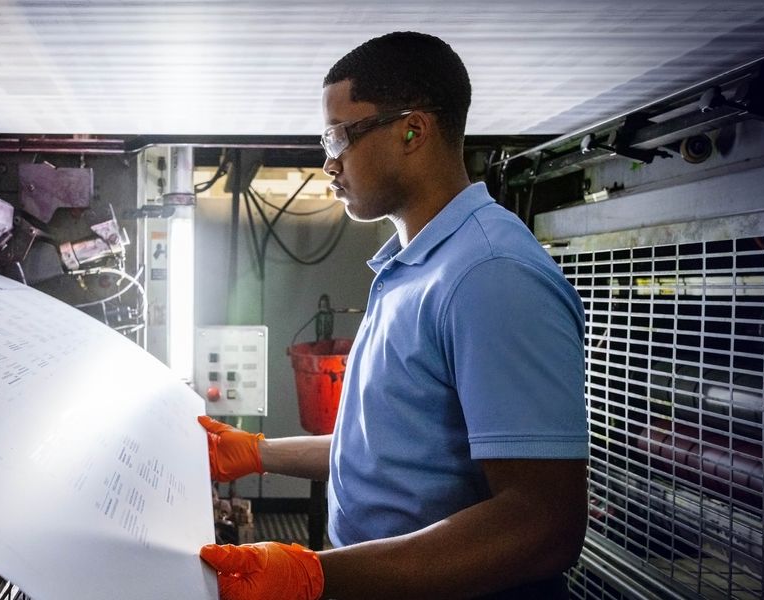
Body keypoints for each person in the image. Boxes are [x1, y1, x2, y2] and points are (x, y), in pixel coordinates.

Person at [197, 31, 589, 600]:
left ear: (413, 129)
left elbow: (542, 525)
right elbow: (388, 452)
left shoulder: (490, 274)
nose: (328, 161)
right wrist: (256, 452)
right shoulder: (414, 268)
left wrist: (315, 576)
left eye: (340, 136)